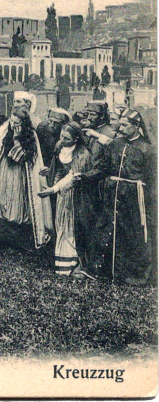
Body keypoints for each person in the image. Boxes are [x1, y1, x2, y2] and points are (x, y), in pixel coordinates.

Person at [77, 109, 155, 286]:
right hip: (112, 194)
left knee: (130, 233)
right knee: (104, 228)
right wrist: (83, 177)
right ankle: (97, 270)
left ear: (136, 127)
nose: (121, 128)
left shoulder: (147, 149)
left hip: (134, 197)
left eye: (125, 125)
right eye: (120, 124)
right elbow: (103, 168)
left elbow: (152, 180)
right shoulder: (115, 144)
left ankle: (132, 275)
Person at [37, 122, 96, 278]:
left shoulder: (83, 154)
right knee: (59, 225)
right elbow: (58, 168)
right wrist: (48, 171)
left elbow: (73, 176)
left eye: (67, 138)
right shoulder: (59, 147)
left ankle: (75, 263)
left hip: (75, 194)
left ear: (76, 139)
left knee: (72, 227)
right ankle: (60, 260)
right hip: (60, 194)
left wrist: (55, 188)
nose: (62, 139)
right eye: (61, 136)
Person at [0, 107, 52, 249]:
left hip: (20, 173)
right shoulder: (5, 131)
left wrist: (17, 140)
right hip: (6, 170)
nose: (13, 126)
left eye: (17, 124)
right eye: (11, 122)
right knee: (4, 199)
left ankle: (18, 236)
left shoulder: (30, 136)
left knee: (17, 203)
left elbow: (19, 157)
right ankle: (4, 236)